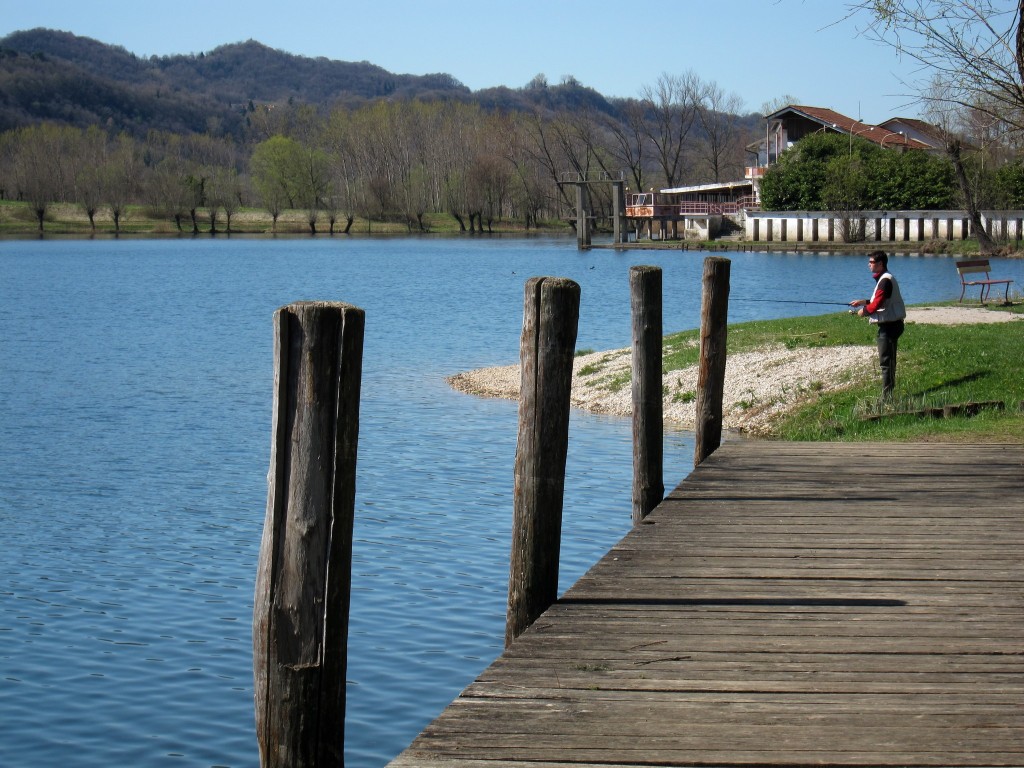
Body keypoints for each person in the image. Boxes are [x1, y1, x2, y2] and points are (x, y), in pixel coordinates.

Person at [850, 250, 906, 400]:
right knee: (889, 360)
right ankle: (890, 392)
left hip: (889, 326)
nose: (869, 265)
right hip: (894, 324)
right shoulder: (885, 278)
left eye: (872, 262)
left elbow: (877, 305)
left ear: (880, 264)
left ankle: (887, 397)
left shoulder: (885, 280)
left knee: (886, 362)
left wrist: (863, 311)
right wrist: (863, 302)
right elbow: (881, 299)